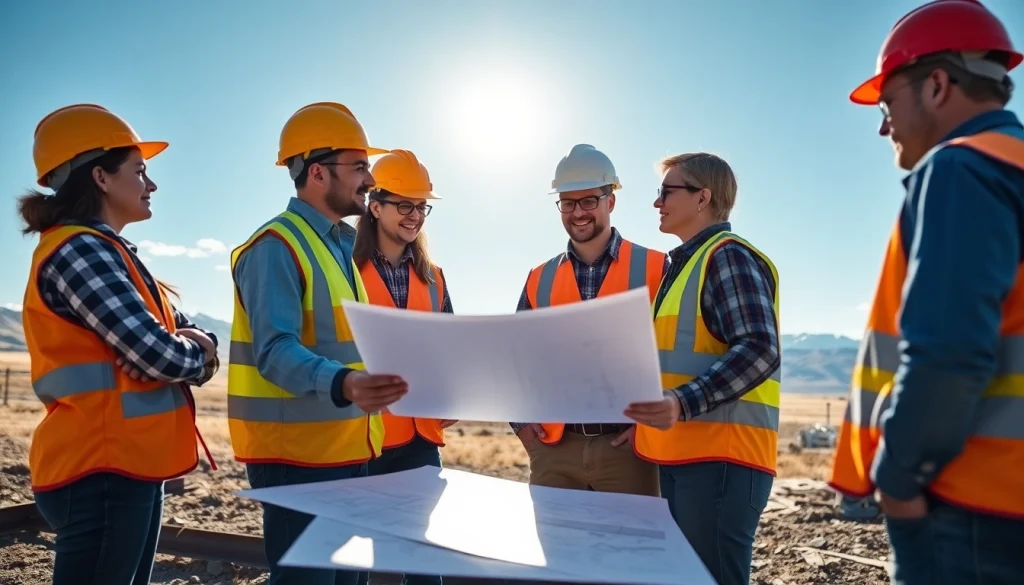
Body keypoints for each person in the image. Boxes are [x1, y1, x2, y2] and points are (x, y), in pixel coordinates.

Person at [829, 1, 1024, 584]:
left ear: (937, 86)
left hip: (975, 508)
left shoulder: (962, 169)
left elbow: (947, 350)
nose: (883, 127)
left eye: (887, 105)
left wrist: (898, 479)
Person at [17, 104, 219, 585]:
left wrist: (199, 349)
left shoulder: (109, 252)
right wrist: (197, 354)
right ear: (101, 177)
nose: (152, 185)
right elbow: (159, 354)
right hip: (100, 471)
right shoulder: (80, 250)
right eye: (140, 170)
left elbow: (184, 343)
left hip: (125, 466)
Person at [228, 101, 409, 585]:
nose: (370, 179)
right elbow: (274, 351)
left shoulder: (341, 247)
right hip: (298, 463)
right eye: (359, 166)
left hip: (347, 452)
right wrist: (345, 383)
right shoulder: (276, 246)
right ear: (317, 172)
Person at [625, 152, 781, 585]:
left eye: (666, 192)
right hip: (685, 456)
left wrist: (681, 402)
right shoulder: (683, 268)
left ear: (702, 198)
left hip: (721, 461)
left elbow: (760, 347)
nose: (657, 202)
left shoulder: (728, 257)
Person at [510, 143, 667, 497]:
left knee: (630, 536)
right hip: (554, 451)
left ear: (611, 201)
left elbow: (671, 357)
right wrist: (522, 425)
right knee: (557, 537)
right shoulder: (540, 278)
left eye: (589, 201)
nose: (578, 212)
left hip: (629, 450)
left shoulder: (657, 268)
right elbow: (516, 357)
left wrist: (648, 430)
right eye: (568, 203)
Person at [351, 149, 455, 585]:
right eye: (405, 205)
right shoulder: (347, 267)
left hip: (419, 438)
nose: (415, 216)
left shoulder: (434, 277)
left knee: (424, 564)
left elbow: (450, 347)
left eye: (421, 207)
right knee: (363, 564)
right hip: (363, 438)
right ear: (375, 207)